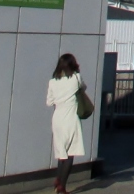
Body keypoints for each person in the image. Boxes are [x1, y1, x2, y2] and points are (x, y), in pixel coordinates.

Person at [46, 54, 85, 193]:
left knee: (61, 151)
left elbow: (49, 102)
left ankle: (58, 180)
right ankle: (62, 186)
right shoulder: (76, 78)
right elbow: (83, 88)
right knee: (70, 153)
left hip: (57, 118)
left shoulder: (52, 82)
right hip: (71, 118)